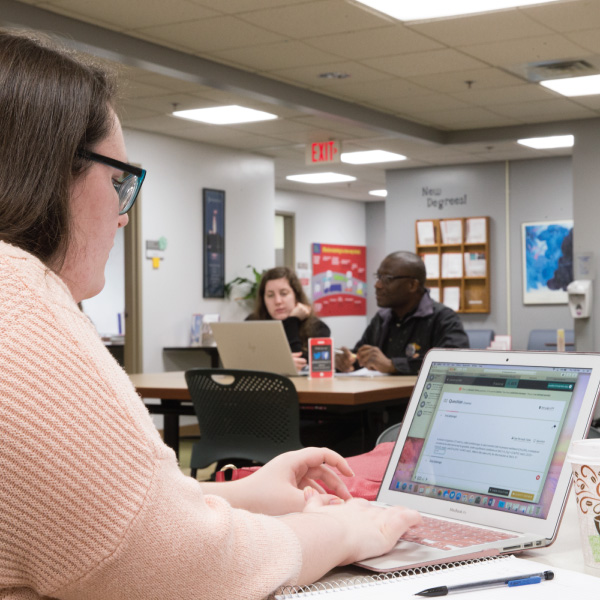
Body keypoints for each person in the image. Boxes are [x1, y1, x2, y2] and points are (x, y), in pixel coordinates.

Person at [0, 30, 421, 600]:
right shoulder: (25, 319)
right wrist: (341, 531)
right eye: (118, 181)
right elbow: (171, 565)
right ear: (48, 171)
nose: (124, 216)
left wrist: (239, 497)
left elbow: (93, 524)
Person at [336, 251, 469, 376]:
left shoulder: (442, 318)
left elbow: (454, 362)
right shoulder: (381, 318)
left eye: (387, 279)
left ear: (412, 285)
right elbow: (364, 358)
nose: (378, 285)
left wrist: (393, 366)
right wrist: (348, 360)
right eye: (378, 277)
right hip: (379, 396)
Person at [247, 266, 330, 371]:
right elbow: (241, 361)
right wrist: (278, 364)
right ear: (263, 300)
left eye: (284, 293)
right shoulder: (252, 323)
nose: (277, 301)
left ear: (296, 295)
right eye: (270, 295)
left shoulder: (318, 328)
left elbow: (302, 365)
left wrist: (292, 320)